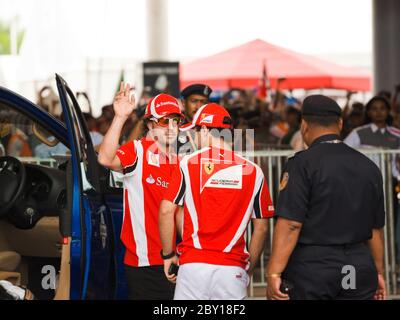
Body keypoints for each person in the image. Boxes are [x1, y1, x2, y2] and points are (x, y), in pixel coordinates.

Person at [266, 95, 386, 300]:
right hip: (358, 264)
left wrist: (274, 272)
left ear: (304, 125)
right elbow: (375, 229)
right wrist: (378, 272)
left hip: (313, 268)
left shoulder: (301, 164)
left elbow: (291, 224)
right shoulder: (369, 167)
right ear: (340, 124)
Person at [159, 103, 275, 300]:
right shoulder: (254, 171)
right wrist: (248, 268)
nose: (195, 137)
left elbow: (166, 211)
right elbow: (262, 228)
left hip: (193, 266)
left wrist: (168, 255)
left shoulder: (188, 163)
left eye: (196, 131)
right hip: (232, 268)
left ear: (204, 129)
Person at [98, 83, 184, 300]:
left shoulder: (180, 160)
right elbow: (105, 159)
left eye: (177, 120)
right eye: (165, 121)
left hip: (177, 260)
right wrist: (120, 118)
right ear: (150, 124)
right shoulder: (137, 150)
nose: (171, 126)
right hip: (145, 263)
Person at [178, 84, 212, 156]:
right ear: (183, 102)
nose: (198, 107)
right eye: (194, 101)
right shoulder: (175, 127)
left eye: (203, 102)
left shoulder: (212, 128)